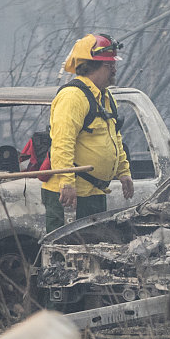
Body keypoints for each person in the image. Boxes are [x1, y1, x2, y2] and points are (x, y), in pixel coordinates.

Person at [43, 34, 134, 233]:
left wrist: (123, 172)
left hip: (94, 193)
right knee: (69, 249)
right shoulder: (72, 97)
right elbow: (62, 142)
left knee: (92, 247)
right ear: (91, 66)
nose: (114, 70)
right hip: (71, 194)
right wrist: (67, 183)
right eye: (109, 65)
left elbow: (115, 138)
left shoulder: (105, 97)